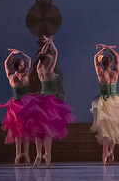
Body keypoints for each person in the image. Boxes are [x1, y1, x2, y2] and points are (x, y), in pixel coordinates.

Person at [18, 36, 74, 168]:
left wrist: (45, 47)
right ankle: (47, 153)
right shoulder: (49, 69)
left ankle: (38, 153)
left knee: (39, 130)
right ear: (49, 61)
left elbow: (40, 57)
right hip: (50, 101)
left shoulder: (39, 69)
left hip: (40, 100)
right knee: (48, 130)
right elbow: (56, 53)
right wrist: (52, 43)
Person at [91, 44, 119, 165]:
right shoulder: (115, 73)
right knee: (113, 128)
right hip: (115, 102)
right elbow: (117, 56)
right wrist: (109, 48)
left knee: (106, 129)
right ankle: (111, 151)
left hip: (104, 103)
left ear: (103, 63)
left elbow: (95, 58)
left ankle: (104, 153)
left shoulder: (100, 72)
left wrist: (102, 49)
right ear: (110, 63)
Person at [0, 49, 32, 165]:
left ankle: (18, 153)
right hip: (25, 105)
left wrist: (10, 55)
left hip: (15, 106)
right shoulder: (25, 74)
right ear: (20, 67)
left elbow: (5, 64)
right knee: (25, 131)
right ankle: (26, 153)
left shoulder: (10, 76)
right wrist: (20, 52)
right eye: (23, 64)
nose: (24, 65)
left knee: (17, 131)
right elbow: (29, 59)